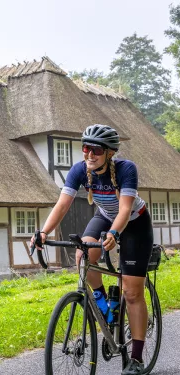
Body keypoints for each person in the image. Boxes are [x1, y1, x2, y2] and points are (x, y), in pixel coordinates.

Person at [31, 124, 153, 375]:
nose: (89, 154)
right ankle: (105, 306)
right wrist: (44, 232)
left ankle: (137, 358)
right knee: (83, 255)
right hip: (105, 216)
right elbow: (62, 205)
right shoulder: (79, 171)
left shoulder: (126, 169)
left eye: (96, 150)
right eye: (85, 148)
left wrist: (114, 234)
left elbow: (124, 210)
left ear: (109, 153)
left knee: (131, 292)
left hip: (134, 222)